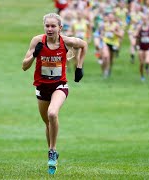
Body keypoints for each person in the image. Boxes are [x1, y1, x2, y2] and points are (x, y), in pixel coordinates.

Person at [22, 13, 87, 175]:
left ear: (60, 28)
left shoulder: (66, 42)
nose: (50, 29)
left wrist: (79, 67)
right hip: (42, 87)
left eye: (53, 26)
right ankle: (52, 151)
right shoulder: (37, 41)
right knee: (48, 123)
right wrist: (34, 55)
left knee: (52, 113)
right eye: (47, 26)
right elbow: (24, 66)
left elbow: (84, 44)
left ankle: (52, 150)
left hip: (60, 85)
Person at [135, 15, 149, 81]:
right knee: (141, 63)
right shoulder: (139, 27)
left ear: (148, 19)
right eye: (143, 19)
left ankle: (147, 67)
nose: (144, 20)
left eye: (146, 19)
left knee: (147, 61)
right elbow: (136, 36)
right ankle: (142, 76)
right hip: (141, 47)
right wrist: (136, 44)